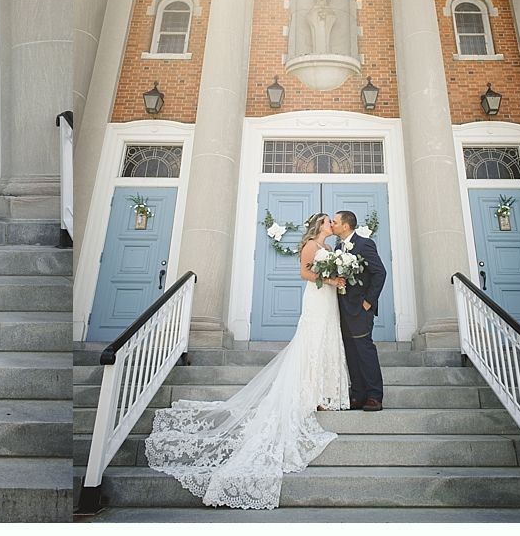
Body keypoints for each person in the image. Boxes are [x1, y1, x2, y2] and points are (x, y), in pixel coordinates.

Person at [145, 212, 349, 509]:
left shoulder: (330, 250)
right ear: (319, 226)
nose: (332, 225)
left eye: (333, 221)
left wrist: (336, 280)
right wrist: (330, 278)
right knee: (311, 341)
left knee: (326, 339)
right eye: (328, 221)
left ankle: (323, 391)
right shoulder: (311, 247)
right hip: (316, 298)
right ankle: (309, 393)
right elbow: (305, 273)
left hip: (328, 299)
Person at [331, 209, 386, 411]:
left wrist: (369, 302)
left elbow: (380, 273)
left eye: (335, 222)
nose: (332, 224)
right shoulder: (338, 247)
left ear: (346, 225)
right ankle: (358, 395)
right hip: (343, 309)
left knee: (364, 350)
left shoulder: (365, 244)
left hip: (361, 308)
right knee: (351, 352)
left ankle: (374, 396)